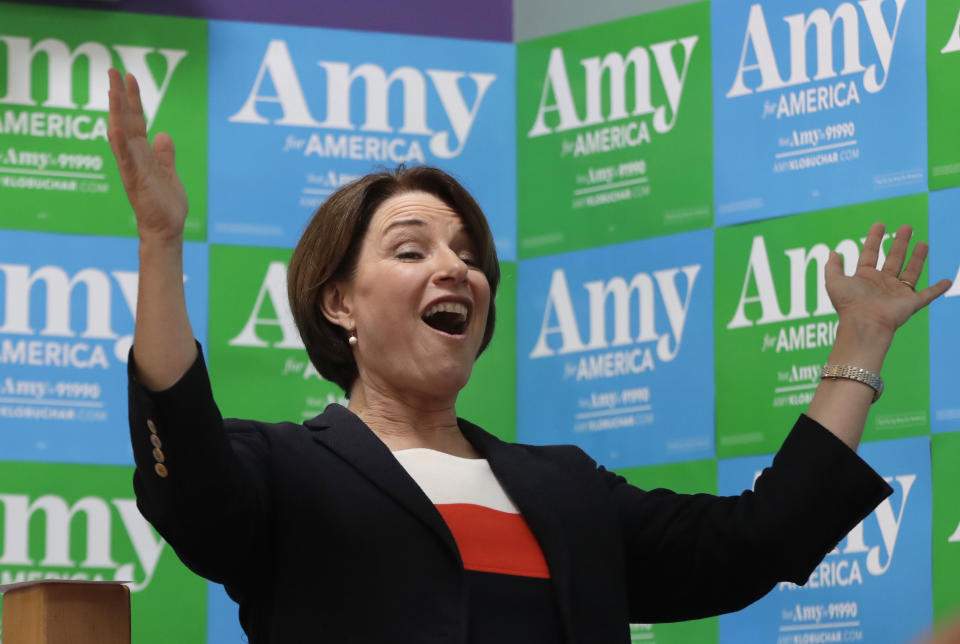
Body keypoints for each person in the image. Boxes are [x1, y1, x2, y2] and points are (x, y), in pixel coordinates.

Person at [109, 67, 952, 644]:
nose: (456, 268)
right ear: (338, 303)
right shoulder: (281, 469)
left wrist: (862, 339)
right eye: (411, 250)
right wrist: (161, 243)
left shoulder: (567, 486)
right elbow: (184, 467)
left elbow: (757, 539)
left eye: (469, 254)